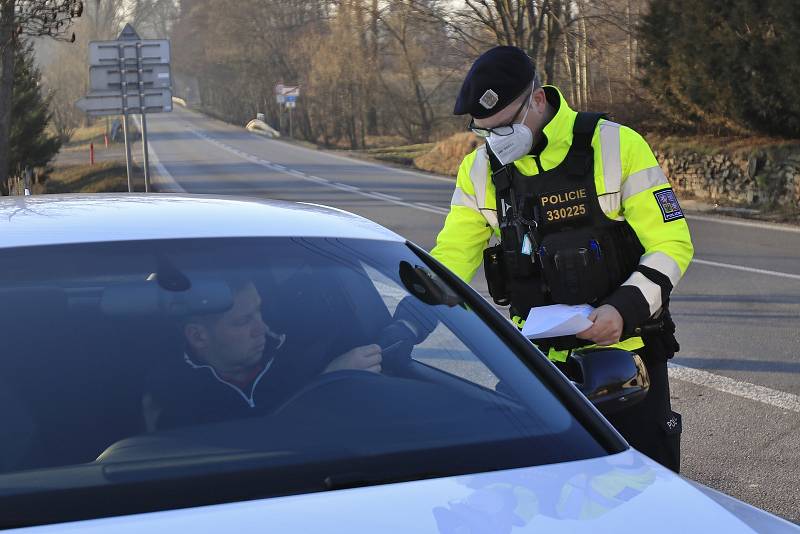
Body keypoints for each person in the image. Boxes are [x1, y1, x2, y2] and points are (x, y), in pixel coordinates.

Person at [430, 46, 693, 472]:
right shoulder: (479, 170)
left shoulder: (617, 145)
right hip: (534, 366)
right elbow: (449, 261)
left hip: (627, 358)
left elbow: (672, 243)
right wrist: (401, 321)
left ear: (536, 99)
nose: (496, 142)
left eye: (504, 127)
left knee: (643, 491)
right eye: (485, 133)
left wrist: (622, 310)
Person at [142, 278, 382, 431]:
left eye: (258, 311)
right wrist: (326, 384)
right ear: (198, 336)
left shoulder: (300, 355)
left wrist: (335, 378)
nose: (262, 329)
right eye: (244, 321)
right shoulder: (170, 392)